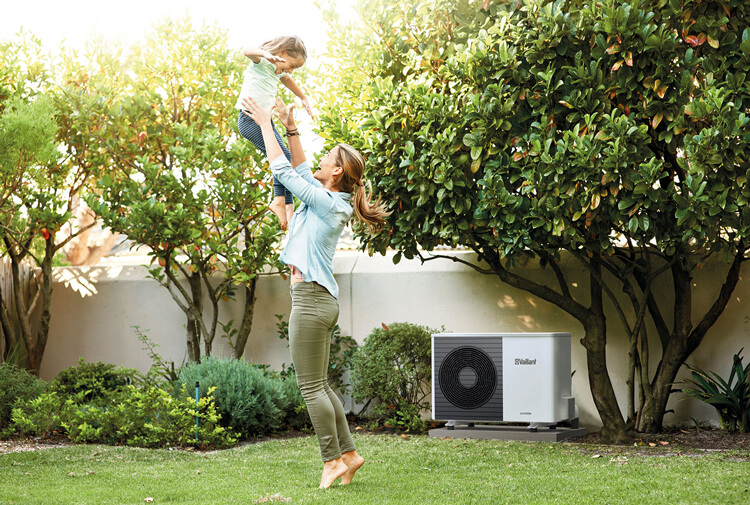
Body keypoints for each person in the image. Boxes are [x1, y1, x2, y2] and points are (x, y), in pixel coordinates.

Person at [241, 94, 389, 489]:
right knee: (321, 386)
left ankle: (331, 461)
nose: (320, 161)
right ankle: (350, 454)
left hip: (309, 301)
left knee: (310, 388)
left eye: (327, 159)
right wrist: (289, 127)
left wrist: (263, 123)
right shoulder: (332, 199)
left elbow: (283, 169)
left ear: (337, 171)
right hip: (320, 301)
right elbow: (301, 166)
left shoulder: (325, 202)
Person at [235, 35, 314, 230]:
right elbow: (246, 49)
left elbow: (287, 80)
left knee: (284, 158)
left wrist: (303, 97)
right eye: (293, 65)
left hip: (263, 121)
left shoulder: (278, 71)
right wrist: (265, 54)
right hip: (249, 119)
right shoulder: (262, 62)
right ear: (282, 53)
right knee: (283, 157)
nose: (291, 70)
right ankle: (279, 201)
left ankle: (287, 206)